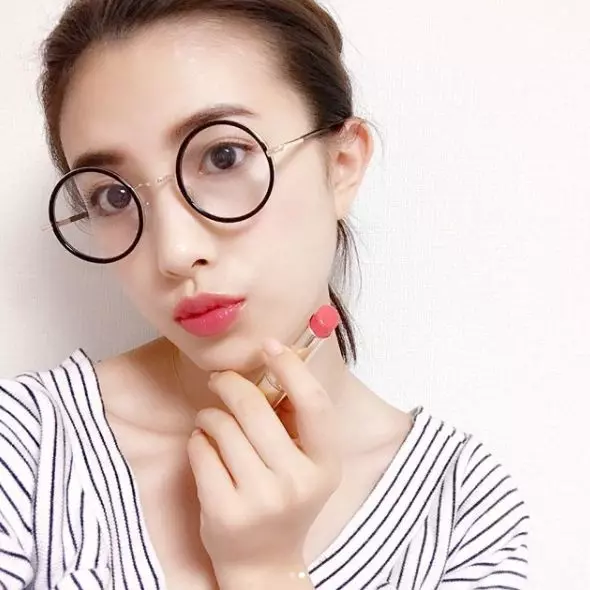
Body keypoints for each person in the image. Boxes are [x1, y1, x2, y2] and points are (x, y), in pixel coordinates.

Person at [0, 1, 529, 588]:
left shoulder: (459, 510)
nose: (175, 251)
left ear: (342, 164)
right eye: (114, 196)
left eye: (222, 156)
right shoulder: (25, 447)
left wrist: (266, 570)